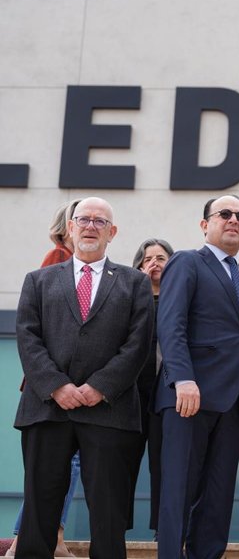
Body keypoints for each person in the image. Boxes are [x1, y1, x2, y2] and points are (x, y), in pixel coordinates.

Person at [14, 197, 154, 558]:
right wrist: (57, 386)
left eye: (99, 221)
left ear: (113, 232)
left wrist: (98, 388)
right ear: (71, 228)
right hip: (47, 409)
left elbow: (138, 344)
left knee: (108, 515)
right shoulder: (38, 280)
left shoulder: (134, 282)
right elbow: (28, 338)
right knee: (39, 511)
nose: (90, 226)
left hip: (109, 411)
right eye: (83, 219)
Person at [154, 195, 239, 559]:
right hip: (189, 397)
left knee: (218, 499)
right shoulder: (187, 262)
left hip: (232, 406)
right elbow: (171, 325)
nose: (234, 220)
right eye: (225, 214)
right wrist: (182, 378)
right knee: (179, 491)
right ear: (205, 225)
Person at [6, 199, 83, 558]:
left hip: (68, 386)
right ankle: (39, 537)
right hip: (54, 387)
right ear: (68, 226)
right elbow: (48, 326)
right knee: (60, 466)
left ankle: (43, 536)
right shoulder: (58, 259)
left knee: (64, 465)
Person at [129, 238, 174, 536]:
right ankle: (116, 527)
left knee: (163, 465)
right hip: (131, 394)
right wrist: (139, 290)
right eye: (148, 259)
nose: (154, 263)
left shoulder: (179, 299)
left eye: (161, 258)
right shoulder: (128, 297)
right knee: (124, 463)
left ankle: (163, 530)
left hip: (166, 393)